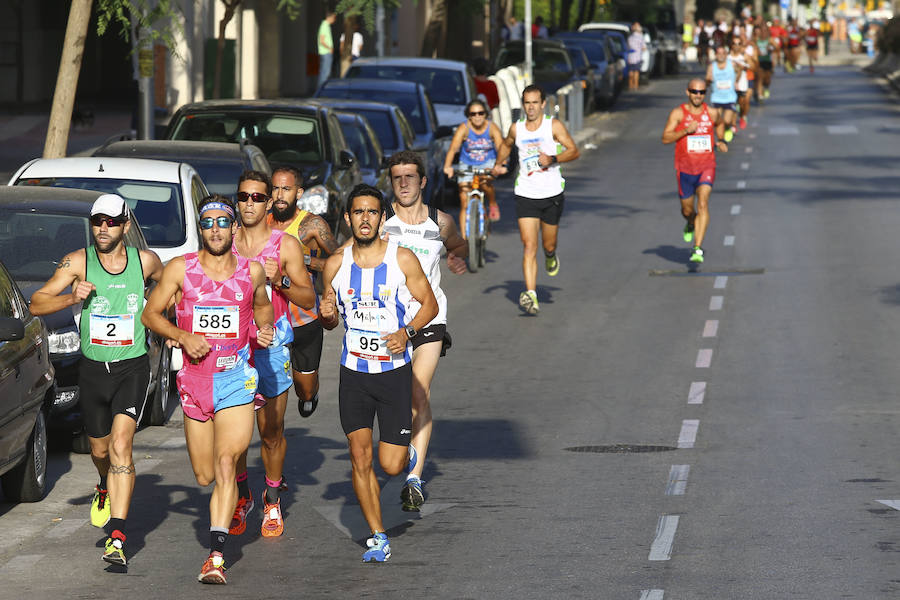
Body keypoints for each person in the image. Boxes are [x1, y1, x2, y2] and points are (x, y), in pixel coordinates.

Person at [142, 195, 274, 583]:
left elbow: (262, 307)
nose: (215, 229)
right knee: (203, 475)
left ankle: (216, 556)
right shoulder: (180, 269)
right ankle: (239, 491)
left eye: (222, 222)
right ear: (200, 228)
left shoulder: (252, 273)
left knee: (224, 464)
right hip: (195, 382)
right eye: (207, 222)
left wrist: (261, 331)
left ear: (234, 228)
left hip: (236, 378)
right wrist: (182, 334)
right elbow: (150, 313)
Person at [29, 194, 163, 568]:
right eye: (97, 221)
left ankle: (118, 535)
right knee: (101, 451)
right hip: (92, 370)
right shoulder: (77, 262)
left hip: (132, 368)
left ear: (125, 225)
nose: (103, 228)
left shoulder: (145, 261)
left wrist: (160, 313)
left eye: (111, 222)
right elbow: (37, 303)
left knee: (122, 446)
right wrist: (71, 297)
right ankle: (103, 486)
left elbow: (174, 289)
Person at [319, 183, 439, 562]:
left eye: (372, 212)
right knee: (359, 456)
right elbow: (331, 319)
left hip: (393, 375)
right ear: (348, 218)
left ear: (382, 218)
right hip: (353, 374)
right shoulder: (336, 264)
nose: (365, 218)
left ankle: (409, 463)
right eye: (358, 212)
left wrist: (407, 333)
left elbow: (430, 304)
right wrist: (327, 316)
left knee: (389, 463)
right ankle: (377, 534)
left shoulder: (401, 259)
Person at [229, 170, 316, 539]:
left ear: (268, 204)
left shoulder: (285, 245)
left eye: (257, 197)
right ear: (238, 200)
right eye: (244, 196)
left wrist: (278, 278)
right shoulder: (222, 241)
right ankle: (242, 495)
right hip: (231, 343)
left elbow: (308, 299)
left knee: (270, 430)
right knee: (231, 433)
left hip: (272, 342)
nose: (250, 203)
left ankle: (273, 497)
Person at [384, 150, 467, 511]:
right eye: (397, 178)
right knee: (396, 398)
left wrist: (457, 256)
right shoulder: (380, 220)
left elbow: (458, 244)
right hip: (388, 323)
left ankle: (414, 479)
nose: (403, 183)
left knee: (419, 393)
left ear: (423, 181)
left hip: (430, 319)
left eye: (410, 177)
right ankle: (400, 446)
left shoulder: (441, 222)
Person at [492, 84, 580, 315]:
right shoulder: (516, 128)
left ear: (543, 104)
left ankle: (550, 256)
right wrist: (499, 164)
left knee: (547, 244)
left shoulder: (554, 125)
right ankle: (531, 294)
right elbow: (507, 145)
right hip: (526, 193)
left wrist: (552, 158)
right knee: (529, 246)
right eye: (527, 103)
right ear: (523, 105)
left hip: (551, 193)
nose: (531, 107)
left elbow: (574, 150)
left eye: (535, 103)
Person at [267, 166, 339, 420]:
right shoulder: (259, 222)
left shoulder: (312, 225)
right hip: (270, 318)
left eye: (286, 189)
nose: (279, 195)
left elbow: (339, 261)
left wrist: (307, 260)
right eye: (275, 188)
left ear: (298, 193)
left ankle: (311, 392)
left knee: (304, 390)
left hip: (303, 318)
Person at [661, 78, 729, 264]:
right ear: (687, 92)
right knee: (687, 210)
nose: (698, 95)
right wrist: (685, 131)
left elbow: (721, 124)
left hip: (707, 166)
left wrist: (721, 140)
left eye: (701, 92)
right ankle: (690, 222)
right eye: (694, 91)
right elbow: (665, 138)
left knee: (704, 204)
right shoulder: (678, 113)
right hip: (684, 168)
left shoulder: (712, 113)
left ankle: (697, 248)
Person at [443, 99, 505, 229]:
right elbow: (453, 148)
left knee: (485, 181)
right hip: (467, 163)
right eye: (473, 114)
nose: (477, 116)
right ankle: (466, 241)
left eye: (480, 113)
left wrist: (501, 165)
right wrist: (447, 166)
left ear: (486, 114)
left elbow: (501, 147)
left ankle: (493, 203)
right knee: (464, 201)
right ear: (468, 116)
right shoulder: (464, 128)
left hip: (488, 161)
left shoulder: (492, 127)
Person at [707, 44, 738, 144]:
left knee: (727, 121)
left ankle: (728, 129)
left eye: (723, 53)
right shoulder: (712, 67)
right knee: (717, 121)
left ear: (726, 55)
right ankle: (720, 140)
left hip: (730, 97)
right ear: (715, 55)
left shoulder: (732, 64)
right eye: (718, 53)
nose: (720, 55)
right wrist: (708, 80)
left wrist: (736, 81)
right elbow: (707, 79)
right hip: (717, 98)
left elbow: (740, 71)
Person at [317, 11, 337, 90]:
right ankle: (321, 90)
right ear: (330, 17)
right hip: (326, 52)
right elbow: (322, 40)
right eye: (334, 18)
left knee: (325, 72)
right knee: (325, 72)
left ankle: (322, 89)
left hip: (326, 52)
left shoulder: (326, 26)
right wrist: (329, 48)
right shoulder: (324, 25)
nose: (334, 20)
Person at [754, 24, 774, 101]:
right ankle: (760, 94)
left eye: (765, 31)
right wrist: (756, 50)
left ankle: (766, 87)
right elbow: (752, 46)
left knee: (767, 79)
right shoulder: (756, 39)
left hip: (768, 61)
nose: (763, 33)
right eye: (762, 31)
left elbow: (777, 47)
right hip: (759, 62)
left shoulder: (770, 40)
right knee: (760, 78)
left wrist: (771, 48)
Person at [627, 22, 647, 90]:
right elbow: (644, 48)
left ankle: (630, 85)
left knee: (630, 72)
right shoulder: (640, 37)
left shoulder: (630, 37)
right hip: (637, 57)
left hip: (630, 57)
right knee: (636, 72)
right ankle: (635, 85)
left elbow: (628, 47)